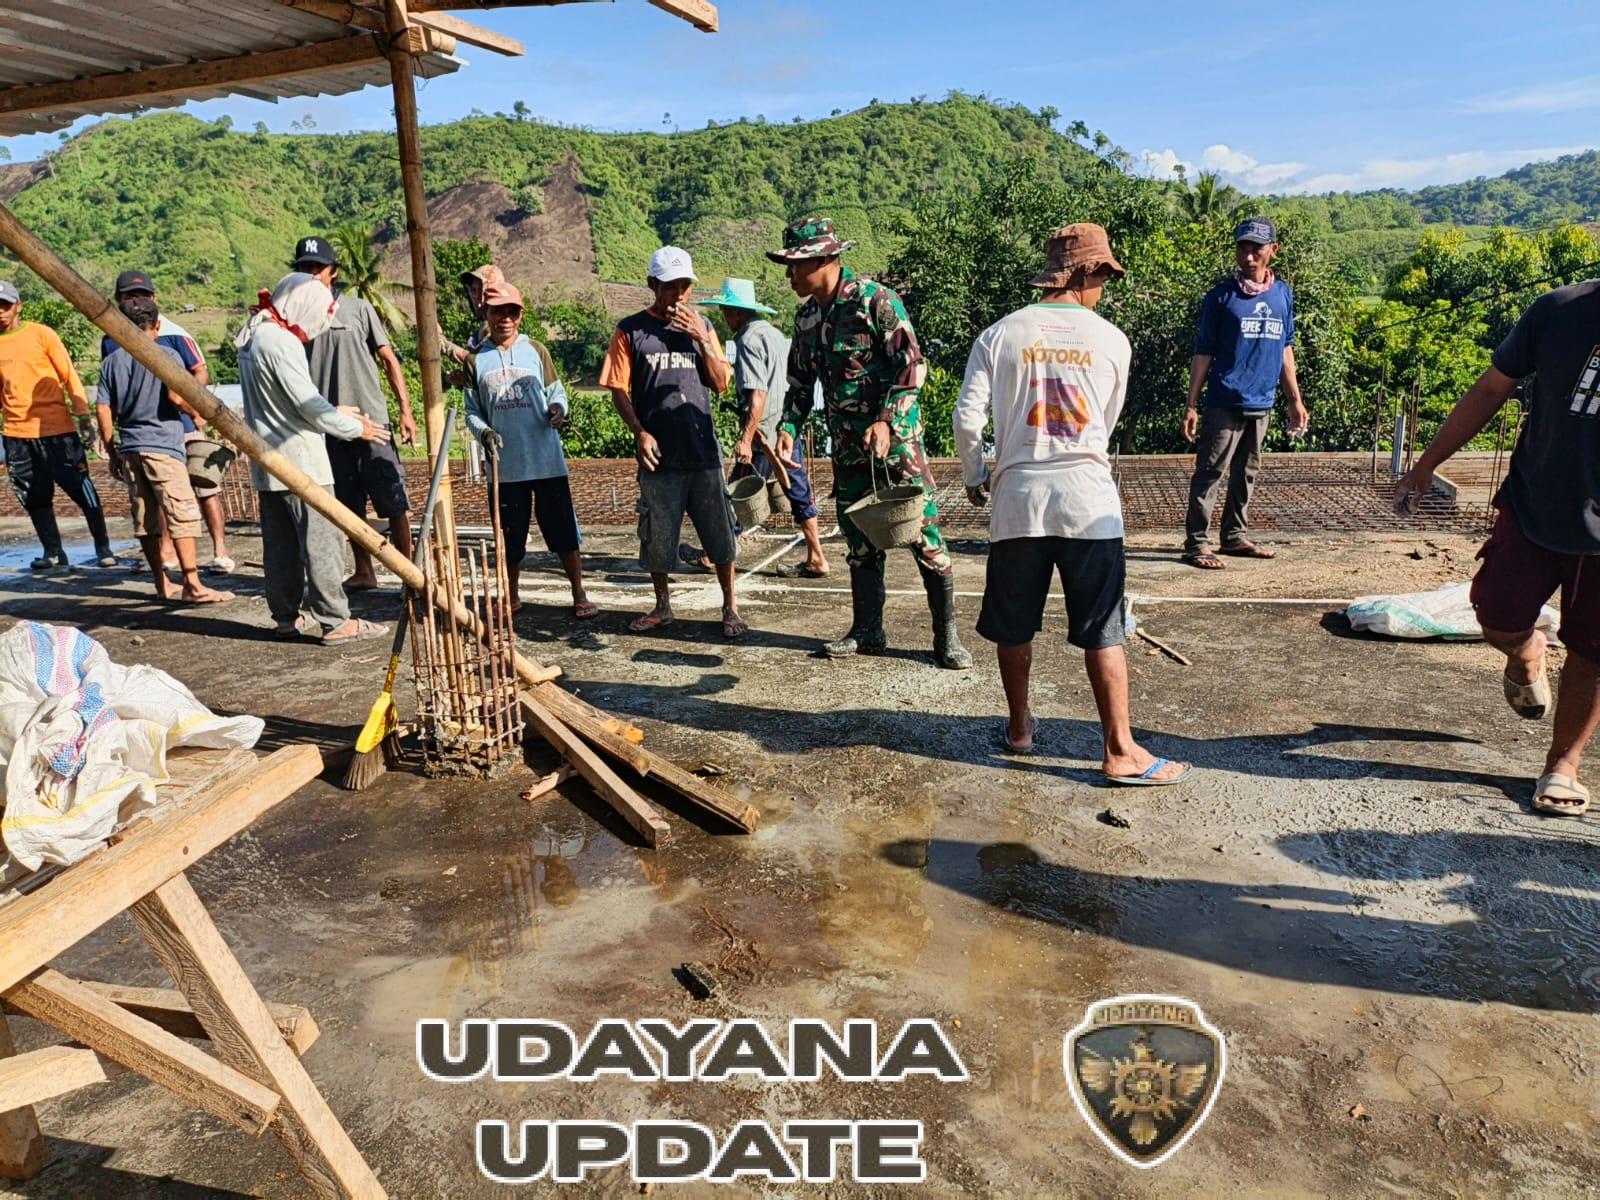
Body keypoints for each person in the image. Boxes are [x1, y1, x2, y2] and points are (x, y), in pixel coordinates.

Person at [955, 224, 1189, 784]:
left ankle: (1018, 727)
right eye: (1103, 275)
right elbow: (1105, 422)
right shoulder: (1112, 339)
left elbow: (967, 418)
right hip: (1089, 500)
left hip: (1018, 501)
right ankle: (1119, 750)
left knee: (1015, 626)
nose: (1103, 287)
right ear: (1084, 272)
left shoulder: (1000, 334)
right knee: (1102, 628)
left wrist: (975, 474)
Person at [1396, 280, 1600, 817]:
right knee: (1497, 616)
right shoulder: (1558, 311)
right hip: (1536, 504)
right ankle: (1527, 650)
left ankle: (1563, 764)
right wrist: (1428, 463)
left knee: (1592, 652)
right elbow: (1491, 389)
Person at [770, 215, 971, 669]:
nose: (789, 275)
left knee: (923, 533)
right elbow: (799, 385)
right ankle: (868, 631)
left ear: (824, 260)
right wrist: (788, 426)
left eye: (794, 265)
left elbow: (911, 368)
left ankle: (946, 636)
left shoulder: (875, 302)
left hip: (895, 444)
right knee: (859, 538)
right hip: (846, 448)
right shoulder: (805, 319)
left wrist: (885, 421)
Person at [599, 246, 746, 639]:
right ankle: (663, 606)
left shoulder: (704, 327)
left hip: (702, 452)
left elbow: (720, 383)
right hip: (659, 455)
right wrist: (640, 432)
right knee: (658, 537)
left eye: (685, 286)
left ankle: (730, 607)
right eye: (671, 287)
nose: (679, 295)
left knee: (720, 535)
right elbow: (617, 387)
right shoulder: (630, 330)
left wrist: (700, 337)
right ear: (653, 285)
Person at [237, 272, 391, 644]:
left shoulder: (253, 335)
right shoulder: (281, 342)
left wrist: (336, 410)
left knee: (281, 547)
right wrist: (357, 428)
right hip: (301, 462)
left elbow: (286, 401)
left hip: (269, 462)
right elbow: (310, 409)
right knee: (322, 543)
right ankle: (336, 620)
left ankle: (286, 617)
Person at [1180, 217, 1309, 569]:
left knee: (1247, 472)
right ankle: (1197, 543)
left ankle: (1234, 537)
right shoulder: (1221, 297)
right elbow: (1203, 351)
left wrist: (1294, 400)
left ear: (1273, 251)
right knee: (1210, 472)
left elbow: (1285, 348)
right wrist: (1191, 404)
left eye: (1257, 248)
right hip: (1225, 400)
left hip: (1262, 401)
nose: (1249, 255)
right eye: (1243, 247)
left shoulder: (1283, 295)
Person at [291, 235, 418, 591]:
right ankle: (366, 571)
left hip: (372, 421)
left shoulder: (359, 309)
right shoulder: (292, 321)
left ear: (334, 273)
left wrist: (406, 412)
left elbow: (388, 359)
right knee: (348, 507)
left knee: (393, 500)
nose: (311, 275)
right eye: (304, 269)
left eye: (317, 268)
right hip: (327, 427)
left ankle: (409, 574)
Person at [464, 279, 594, 620]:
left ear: (520, 316)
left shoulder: (536, 350)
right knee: (509, 537)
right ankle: (511, 596)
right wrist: (485, 432)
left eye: (512, 312)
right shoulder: (477, 361)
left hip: (546, 461)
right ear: (485, 312)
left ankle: (579, 593)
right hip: (505, 468)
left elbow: (557, 392)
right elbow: (472, 411)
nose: (505, 318)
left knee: (563, 532)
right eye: (498, 311)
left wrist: (559, 410)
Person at [93, 296, 232, 604]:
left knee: (146, 520)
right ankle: (193, 584)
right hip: (163, 447)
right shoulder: (166, 353)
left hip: (130, 448)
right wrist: (196, 415)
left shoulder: (111, 362)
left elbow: (103, 408)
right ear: (156, 326)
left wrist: (112, 450)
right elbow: (176, 395)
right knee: (182, 514)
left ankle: (161, 583)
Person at [698, 277, 830, 579]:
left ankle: (716, 553)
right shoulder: (772, 333)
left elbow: (757, 393)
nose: (723, 316)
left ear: (737, 312)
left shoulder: (746, 340)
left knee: (736, 490)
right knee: (798, 489)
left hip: (762, 435)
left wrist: (747, 439)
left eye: (725, 310)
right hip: (783, 428)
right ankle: (816, 556)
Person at [0, 279, 116, 570]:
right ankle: (52, 552)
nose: (0, 312)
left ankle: (103, 548)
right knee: (33, 495)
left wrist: (84, 417)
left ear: (18, 306)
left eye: (5, 305)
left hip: (57, 431)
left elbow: (69, 375)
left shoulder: (42, 334)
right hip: (16, 434)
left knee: (81, 488)